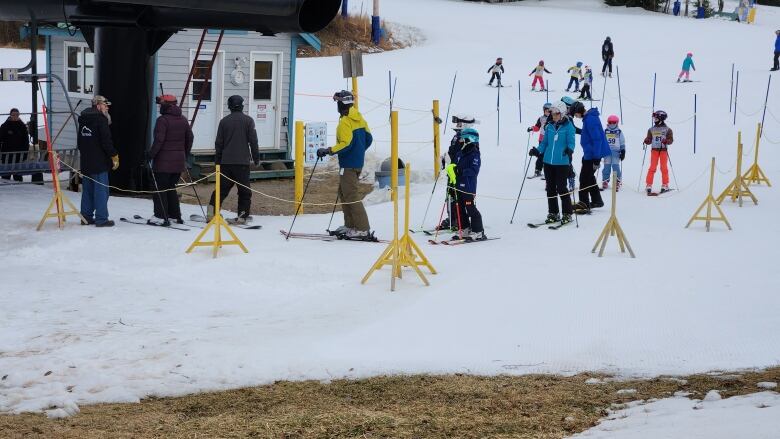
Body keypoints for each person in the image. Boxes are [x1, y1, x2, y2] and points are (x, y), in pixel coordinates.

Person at [317, 90, 374, 240]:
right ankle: (350, 225)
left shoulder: (345, 122)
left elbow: (346, 144)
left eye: (337, 102)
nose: (337, 105)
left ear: (342, 104)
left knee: (351, 195)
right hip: (355, 162)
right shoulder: (358, 117)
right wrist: (358, 151)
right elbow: (368, 138)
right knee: (344, 193)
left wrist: (328, 150)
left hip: (348, 164)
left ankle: (362, 228)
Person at [207, 95, 260, 224]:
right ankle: (242, 216)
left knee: (221, 190)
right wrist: (256, 158)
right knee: (244, 191)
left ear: (229, 106)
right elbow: (253, 141)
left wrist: (217, 161)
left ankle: (211, 214)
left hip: (225, 163)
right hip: (242, 163)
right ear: (242, 106)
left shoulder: (224, 121)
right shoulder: (248, 121)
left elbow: (218, 143)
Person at [147, 94, 194, 226]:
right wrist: (184, 153)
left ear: (165, 106)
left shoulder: (162, 120)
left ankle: (160, 216)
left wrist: (150, 155)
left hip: (163, 162)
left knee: (160, 189)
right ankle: (175, 216)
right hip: (179, 162)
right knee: (171, 188)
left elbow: (159, 141)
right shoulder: (183, 120)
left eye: (161, 104)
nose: (159, 106)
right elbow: (190, 138)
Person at [529, 102, 576, 225]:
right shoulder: (549, 126)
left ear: (562, 113)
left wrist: (569, 149)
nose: (554, 116)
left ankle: (567, 213)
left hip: (562, 162)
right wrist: (537, 151)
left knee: (561, 188)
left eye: (556, 113)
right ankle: (553, 212)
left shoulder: (568, 126)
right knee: (550, 189)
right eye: (553, 113)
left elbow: (571, 142)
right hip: (548, 162)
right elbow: (544, 143)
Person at [77, 95, 118, 227]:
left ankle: (86, 217)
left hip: (86, 161)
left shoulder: (83, 119)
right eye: (105, 105)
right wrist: (114, 155)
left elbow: (80, 142)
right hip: (99, 162)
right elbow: (106, 141)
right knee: (101, 191)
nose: (107, 108)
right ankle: (101, 219)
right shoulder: (101, 120)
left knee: (88, 190)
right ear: (98, 105)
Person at [569, 100, 610, 213]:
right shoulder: (588, 119)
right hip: (589, 154)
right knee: (589, 178)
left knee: (584, 179)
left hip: (592, 156)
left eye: (575, 114)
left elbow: (597, 140)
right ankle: (597, 200)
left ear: (579, 111)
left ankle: (583, 204)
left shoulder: (590, 120)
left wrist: (596, 158)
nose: (576, 117)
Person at [445, 127, 485, 240]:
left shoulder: (474, 154)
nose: (460, 141)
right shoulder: (459, 153)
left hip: (468, 186)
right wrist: (451, 172)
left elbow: (474, 170)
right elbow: (454, 166)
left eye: (462, 139)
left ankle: (478, 231)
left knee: (470, 208)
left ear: (469, 139)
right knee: (460, 208)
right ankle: (465, 228)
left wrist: (460, 171)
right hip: (458, 186)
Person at [438, 114, 476, 231]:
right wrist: (445, 159)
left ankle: (459, 220)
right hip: (452, 170)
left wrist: (456, 166)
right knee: (450, 194)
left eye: (459, 123)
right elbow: (452, 151)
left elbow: (465, 155)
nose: (457, 126)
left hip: (460, 173)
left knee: (459, 197)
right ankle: (452, 217)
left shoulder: (470, 138)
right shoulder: (456, 136)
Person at [643, 110, 674, 195]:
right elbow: (649, 139)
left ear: (661, 118)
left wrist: (667, 141)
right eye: (654, 118)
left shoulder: (668, 130)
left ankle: (665, 184)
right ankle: (648, 184)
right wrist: (647, 140)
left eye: (656, 118)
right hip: (654, 150)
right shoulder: (651, 129)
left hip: (663, 151)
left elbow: (671, 140)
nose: (654, 119)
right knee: (652, 167)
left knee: (663, 168)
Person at [0, 108, 30, 182]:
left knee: (18, 175)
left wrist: (25, 154)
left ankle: (19, 188)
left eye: (17, 115)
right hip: (7, 153)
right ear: (10, 115)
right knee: (6, 174)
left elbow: (26, 141)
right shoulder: (5, 126)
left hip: (19, 153)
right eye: (13, 115)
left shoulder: (22, 126)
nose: (15, 116)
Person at [527, 103, 552, 178]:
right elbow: (537, 127)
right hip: (542, 139)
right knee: (541, 155)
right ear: (544, 111)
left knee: (547, 155)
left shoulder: (553, 119)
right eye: (546, 111)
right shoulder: (541, 118)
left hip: (550, 139)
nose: (548, 112)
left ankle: (548, 172)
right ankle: (538, 170)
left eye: (549, 111)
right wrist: (532, 128)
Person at [602, 115, 626, 191]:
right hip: (607, 152)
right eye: (610, 122)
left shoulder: (619, 132)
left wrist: (623, 151)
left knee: (615, 167)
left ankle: (617, 181)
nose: (612, 124)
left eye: (614, 122)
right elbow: (602, 141)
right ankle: (605, 180)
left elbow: (622, 142)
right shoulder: (605, 131)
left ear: (617, 123)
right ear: (608, 123)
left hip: (616, 152)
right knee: (606, 167)